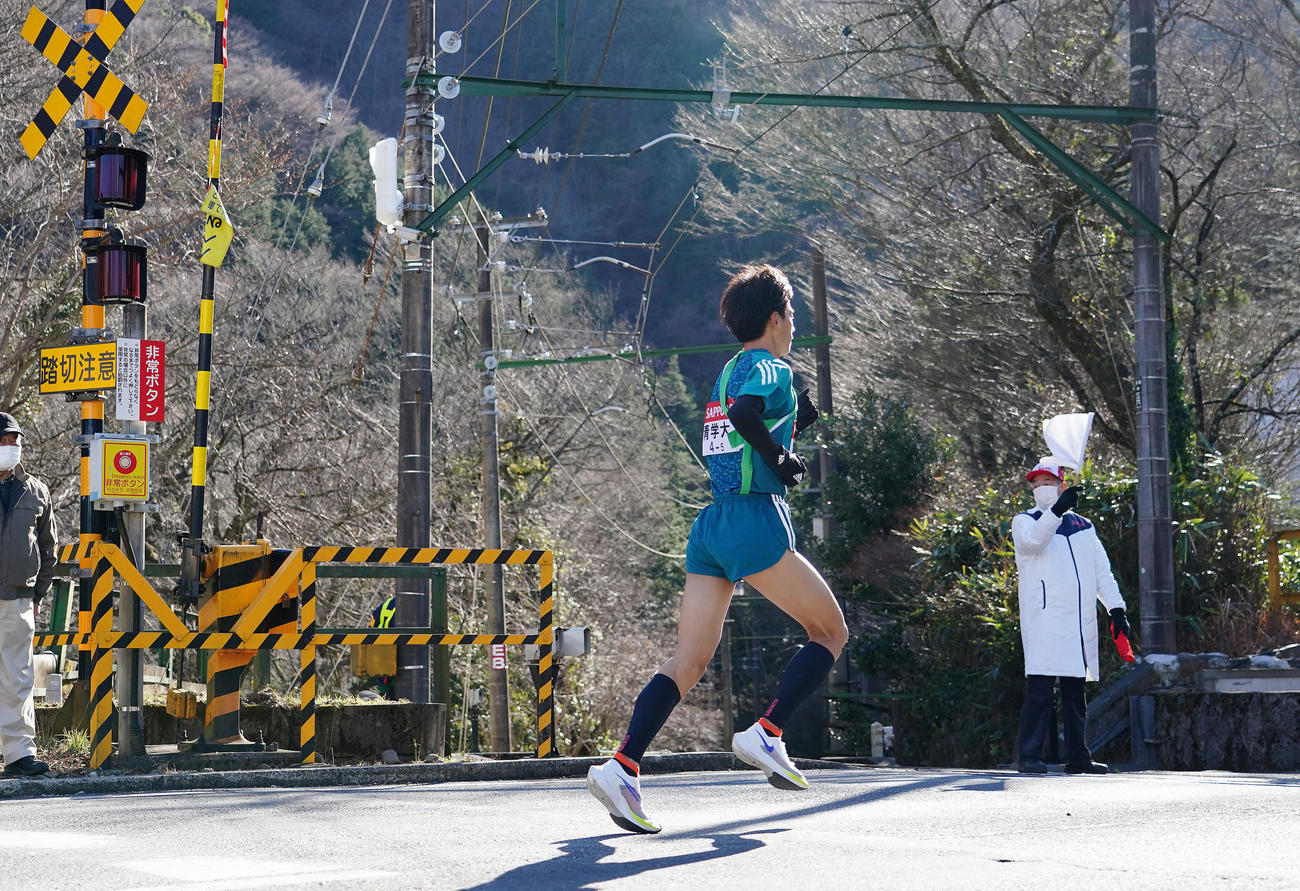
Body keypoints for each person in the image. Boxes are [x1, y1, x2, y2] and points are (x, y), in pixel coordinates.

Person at [587, 264, 848, 834]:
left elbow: (740, 426)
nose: (795, 325)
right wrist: (782, 459)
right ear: (775, 319)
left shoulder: (731, 369)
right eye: (793, 315)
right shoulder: (773, 366)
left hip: (711, 526)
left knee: (689, 661)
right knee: (830, 633)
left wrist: (793, 428)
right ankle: (768, 732)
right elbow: (747, 417)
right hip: (754, 519)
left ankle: (622, 765)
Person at [1013, 460, 1128, 776]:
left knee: (1075, 694)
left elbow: (1101, 572)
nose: (1041, 488)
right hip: (1045, 619)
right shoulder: (1025, 521)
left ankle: (1079, 755)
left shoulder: (1084, 527)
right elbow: (1033, 542)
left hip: (1078, 621)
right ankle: (1029, 755)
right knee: (1040, 689)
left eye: (1047, 481)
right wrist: (1055, 512)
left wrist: (1116, 609)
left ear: (1061, 484)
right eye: (1035, 483)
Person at [0, 412, 57, 777]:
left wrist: (38, 595)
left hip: (19, 599)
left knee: (18, 677)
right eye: (4, 441)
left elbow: (49, 549)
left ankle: (19, 755)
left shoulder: (36, 490)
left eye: (16, 442)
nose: (11, 448)